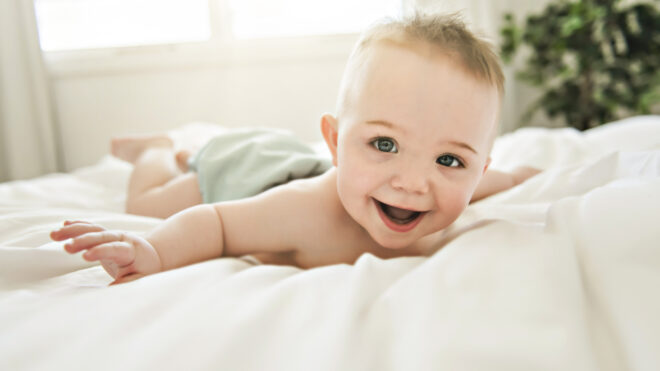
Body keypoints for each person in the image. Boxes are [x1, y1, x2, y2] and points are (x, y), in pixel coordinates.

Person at [50, 13, 540, 285]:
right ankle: (161, 149)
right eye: (384, 144)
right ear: (335, 141)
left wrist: (524, 177)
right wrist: (153, 251)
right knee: (147, 203)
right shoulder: (304, 211)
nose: (412, 182)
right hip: (241, 169)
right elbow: (216, 224)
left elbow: (503, 179)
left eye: (449, 160)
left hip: (288, 155)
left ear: (478, 170)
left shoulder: (459, 190)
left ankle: (187, 148)